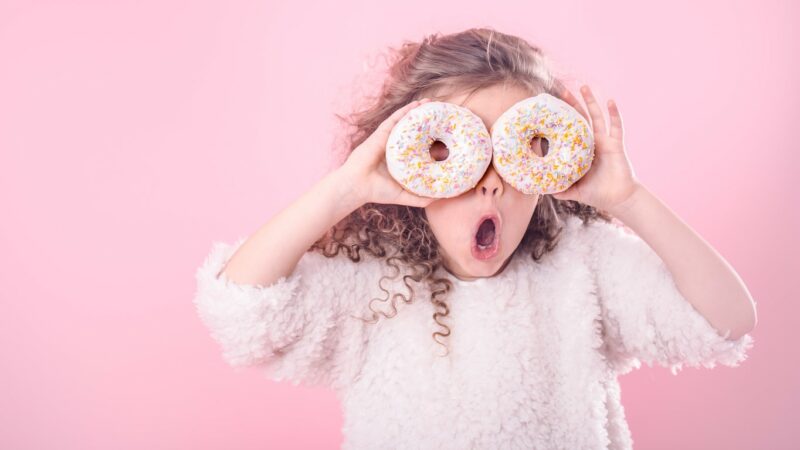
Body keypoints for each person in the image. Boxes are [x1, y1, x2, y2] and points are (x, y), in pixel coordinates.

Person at [192, 28, 756, 450]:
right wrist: (345, 190)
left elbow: (725, 320)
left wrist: (628, 200)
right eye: (453, 151)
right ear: (409, 164)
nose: (489, 178)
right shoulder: (374, 287)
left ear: (548, 171)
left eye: (514, 153)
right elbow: (241, 310)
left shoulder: (584, 268)